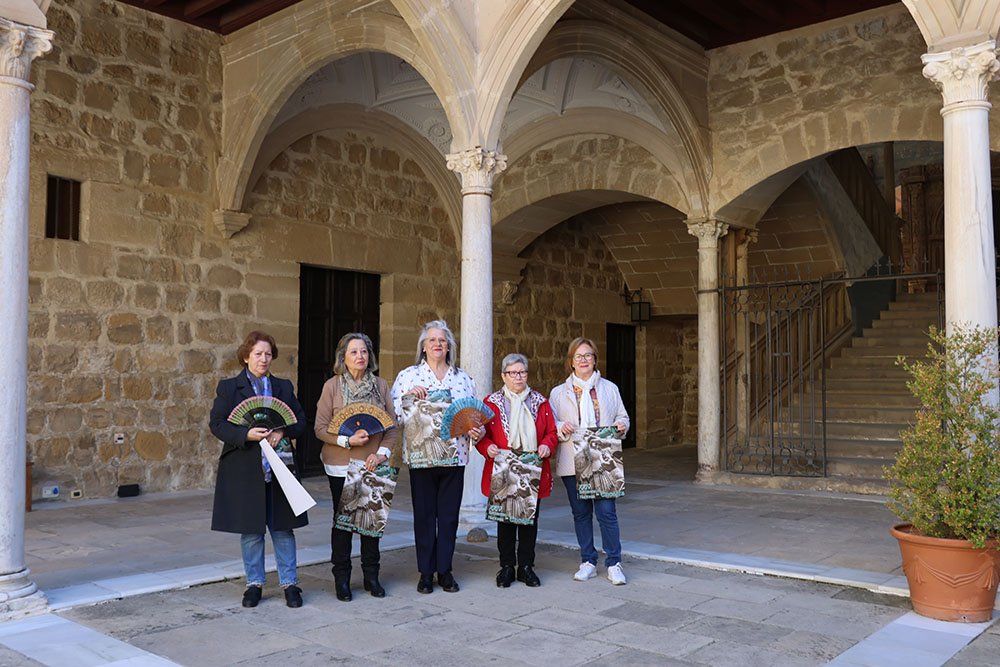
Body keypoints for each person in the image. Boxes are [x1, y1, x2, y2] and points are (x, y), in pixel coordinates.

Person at [210, 331, 308, 608]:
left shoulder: (283, 387)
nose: (263, 359)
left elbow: (300, 420)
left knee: (283, 529)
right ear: (245, 357)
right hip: (245, 468)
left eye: (267, 354)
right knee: (252, 531)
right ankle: (254, 584)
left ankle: (290, 584)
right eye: (257, 354)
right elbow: (217, 424)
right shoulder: (229, 388)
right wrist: (246, 435)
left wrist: (282, 430)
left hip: (280, 468)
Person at [391, 320, 484, 594]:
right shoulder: (408, 376)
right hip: (421, 458)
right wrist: (408, 397)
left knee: (448, 517)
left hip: (455, 457)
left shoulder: (464, 379)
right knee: (424, 515)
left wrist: (476, 430)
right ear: (423, 346)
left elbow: (474, 415)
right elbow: (395, 413)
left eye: (442, 340)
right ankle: (425, 571)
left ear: (449, 347)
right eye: (432, 340)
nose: (437, 344)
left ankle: (445, 570)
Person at [314, 333, 397, 601]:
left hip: (373, 465)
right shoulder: (333, 387)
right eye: (353, 352)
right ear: (343, 358)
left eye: (364, 352)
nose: (360, 356)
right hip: (340, 464)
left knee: (371, 522)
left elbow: (391, 427)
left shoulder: (381, 386)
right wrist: (345, 440)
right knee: (344, 523)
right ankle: (342, 579)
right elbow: (320, 428)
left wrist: (381, 454)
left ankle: (372, 576)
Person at [549, 337, 630, 585]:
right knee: (581, 513)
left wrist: (621, 425)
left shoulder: (610, 388)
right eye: (578, 356)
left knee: (607, 512)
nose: (584, 360)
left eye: (588, 355)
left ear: (595, 359)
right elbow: (550, 423)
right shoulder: (558, 393)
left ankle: (614, 562)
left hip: (603, 459)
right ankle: (588, 560)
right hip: (573, 459)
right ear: (571, 362)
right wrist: (562, 425)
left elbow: (623, 416)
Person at [476, 353, 557, 588]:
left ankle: (526, 567)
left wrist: (546, 445)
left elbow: (552, 433)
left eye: (522, 372)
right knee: (506, 522)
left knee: (529, 521)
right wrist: (486, 446)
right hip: (503, 470)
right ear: (504, 376)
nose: (518, 377)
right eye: (513, 373)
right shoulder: (491, 403)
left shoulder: (540, 402)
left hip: (532, 469)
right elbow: (482, 435)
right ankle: (507, 567)